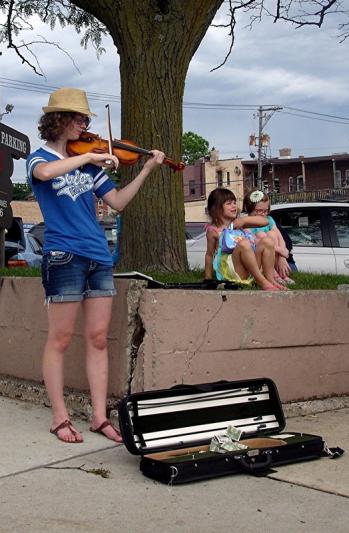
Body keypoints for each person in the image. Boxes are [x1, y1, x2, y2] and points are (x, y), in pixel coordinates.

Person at [26, 87, 165, 443]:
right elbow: (44, 175)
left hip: (98, 256)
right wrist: (88, 158)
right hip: (64, 255)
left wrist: (147, 168)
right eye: (78, 118)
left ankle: (99, 416)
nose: (84, 124)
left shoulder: (90, 162)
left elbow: (117, 202)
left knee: (98, 338)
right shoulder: (41, 157)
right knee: (59, 338)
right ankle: (60, 417)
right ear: (58, 120)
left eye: (86, 119)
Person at [205, 188, 287, 291]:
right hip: (233, 271)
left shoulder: (239, 223)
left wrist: (244, 220)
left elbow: (265, 221)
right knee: (243, 244)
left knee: (267, 241)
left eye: (235, 202)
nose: (234, 205)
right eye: (229, 203)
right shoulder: (213, 230)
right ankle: (262, 281)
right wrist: (208, 278)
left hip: (250, 268)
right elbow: (209, 254)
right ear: (217, 208)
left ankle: (270, 279)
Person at [242, 189, 295, 285]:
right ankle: (273, 275)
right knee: (261, 235)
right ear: (249, 208)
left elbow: (280, 238)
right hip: (258, 258)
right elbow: (255, 243)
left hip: (274, 256)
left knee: (272, 234)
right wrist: (280, 250)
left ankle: (281, 273)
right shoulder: (246, 223)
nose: (263, 214)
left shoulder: (269, 219)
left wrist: (282, 258)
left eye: (266, 211)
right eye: (259, 211)